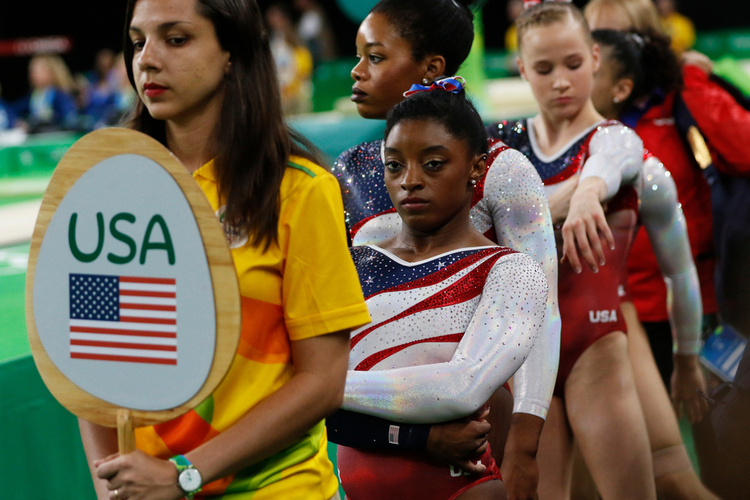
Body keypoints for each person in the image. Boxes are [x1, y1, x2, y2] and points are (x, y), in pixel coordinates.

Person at [77, 1, 371, 499]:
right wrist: (112, 483)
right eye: (137, 41)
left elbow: (322, 382)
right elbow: (91, 355)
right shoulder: (108, 193)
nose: (147, 59)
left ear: (231, 52)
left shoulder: (300, 191)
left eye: (176, 39)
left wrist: (184, 475)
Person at [332, 2, 562, 497]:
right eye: (395, 166)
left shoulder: (500, 167)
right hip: (372, 433)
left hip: (468, 416)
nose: (357, 71)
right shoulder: (348, 170)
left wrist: (524, 440)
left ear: (432, 67)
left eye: (374, 57)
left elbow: (541, 309)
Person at [486, 2, 656, 498]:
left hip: (592, 344)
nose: (560, 81)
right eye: (544, 69)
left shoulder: (613, 138)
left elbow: (614, 159)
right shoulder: (500, 146)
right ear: (521, 70)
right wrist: (559, 200)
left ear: (596, 57)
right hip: (521, 354)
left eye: (573, 65)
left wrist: (586, 192)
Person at [266, 2, 313, 115]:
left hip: (297, 93)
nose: (273, 21)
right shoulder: (273, 41)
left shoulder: (294, 38)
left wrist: (292, 87)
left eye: (275, 16)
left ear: (284, 18)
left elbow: (304, 66)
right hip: (282, 94)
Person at [11, 54, 78, 133]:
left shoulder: (60, 96)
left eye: (38, 71)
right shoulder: (32, 96)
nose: (33, 75)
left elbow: (69, 120)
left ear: (51, 72)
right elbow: (12, 111)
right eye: (31, 71)